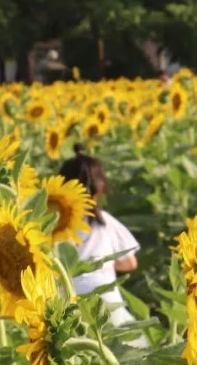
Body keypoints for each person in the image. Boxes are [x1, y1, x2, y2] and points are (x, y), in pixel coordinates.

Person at [58, 146, 145, 343]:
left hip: (68, 299)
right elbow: (130, 263)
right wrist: (101, 261)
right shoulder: (104, 222)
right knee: (127, 351)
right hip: (104, 297)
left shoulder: (55, 225)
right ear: (100, 189)